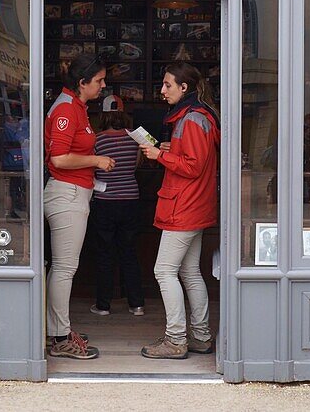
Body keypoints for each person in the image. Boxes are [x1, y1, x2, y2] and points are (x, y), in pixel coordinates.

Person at [140, 61, 220, 360]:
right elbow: (194, 158)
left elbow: (193, 166)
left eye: (167, 85)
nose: (162, 91)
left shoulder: (191, 119)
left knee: (163, 271)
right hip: (195, 205)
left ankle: (175, 340)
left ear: (184, 88)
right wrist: (169, 149)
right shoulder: (200, 116)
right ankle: (200, 336)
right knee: (189, 272)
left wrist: (160, 155)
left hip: (184, 206)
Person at [44, 54, 114, 361]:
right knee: (64, 268)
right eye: (99, 80)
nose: (103, 85)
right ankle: (60, 337)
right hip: (66, 195)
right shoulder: (66, 109)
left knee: (61, 267)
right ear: (82, 82)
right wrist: (96, 160)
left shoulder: (76, 107)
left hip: (74, 194)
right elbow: (58, 158)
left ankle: (56, 328)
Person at [89, 94, 145, 317]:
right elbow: (138, 165)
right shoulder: (135, 138)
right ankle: (137, 304)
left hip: (105, 202)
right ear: (123, 113)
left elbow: (91, 169)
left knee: (105, 253)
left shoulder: (96, 140)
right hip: (131, 199)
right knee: (130, 252)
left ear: (103, 115)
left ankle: (103, 305)